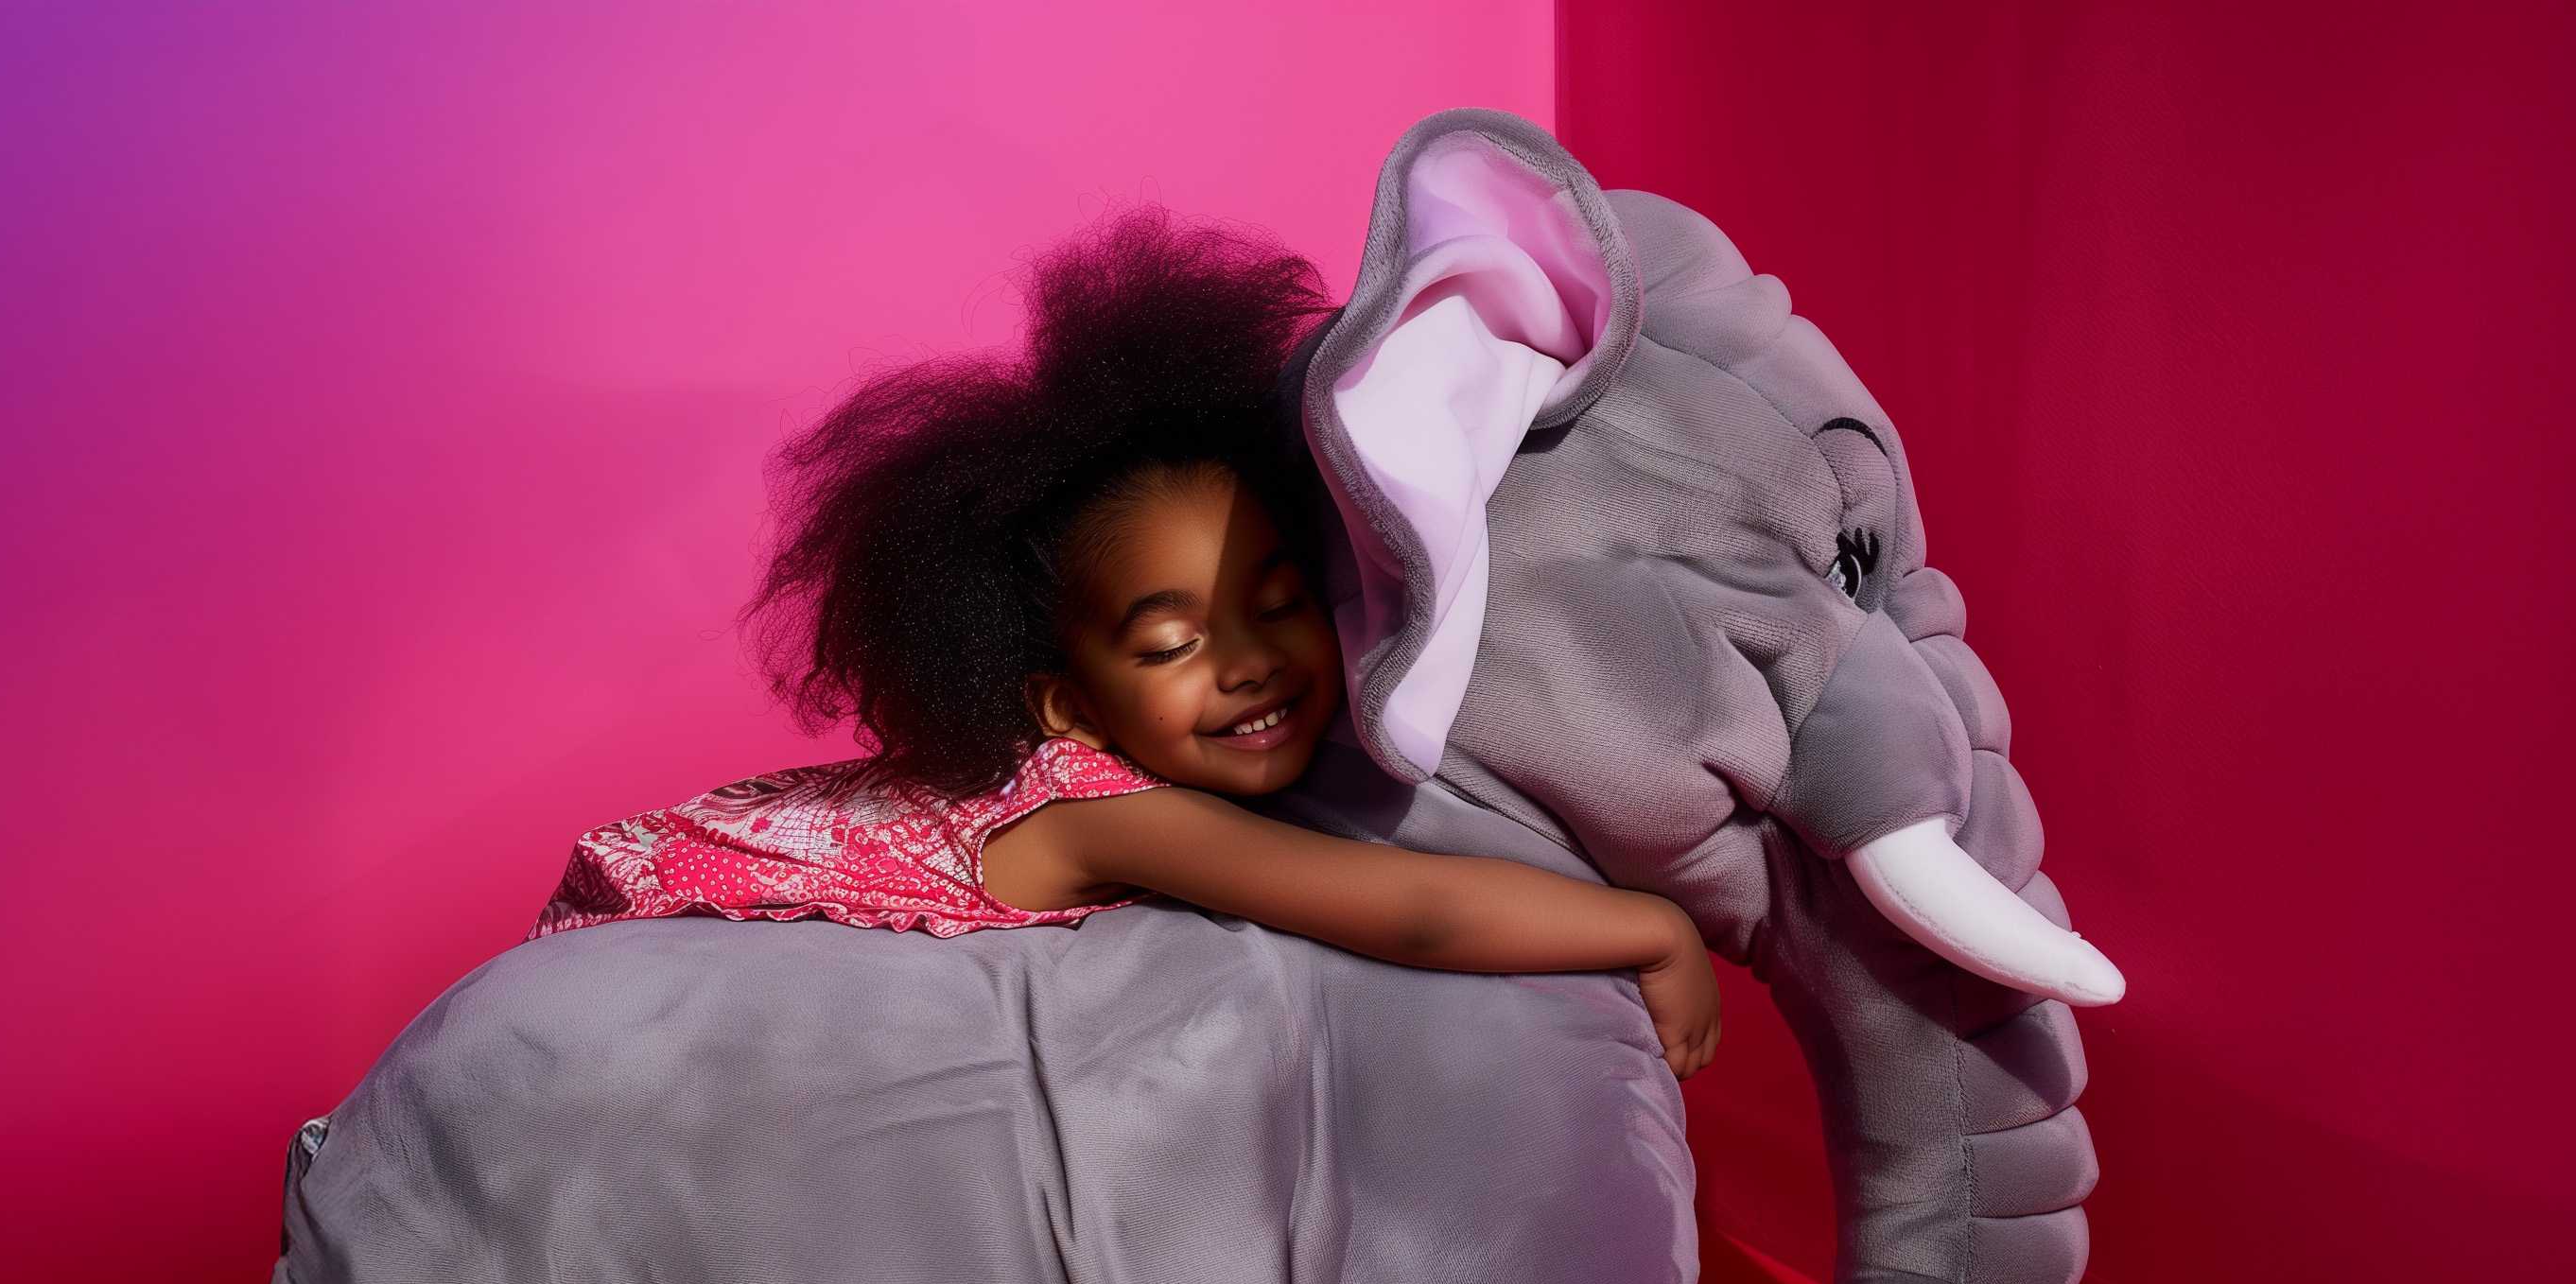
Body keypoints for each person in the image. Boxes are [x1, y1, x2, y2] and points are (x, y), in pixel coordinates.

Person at [530, 207, 1719, 1078]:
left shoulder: (1131, 761)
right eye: (1169, 645)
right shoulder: (1102, 808)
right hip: (640, 949)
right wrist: (1653, 929)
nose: (1246, 661)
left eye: (1278, 602)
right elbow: (1405, 909)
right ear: (1069, 706)